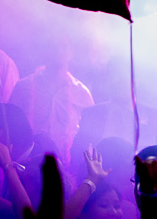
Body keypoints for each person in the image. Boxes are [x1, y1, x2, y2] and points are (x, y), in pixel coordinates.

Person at [8, 34, 94, 166]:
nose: (58, 51)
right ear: (44, 50)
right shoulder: (23, 87)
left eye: (63, 46)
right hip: (27, 164)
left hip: (67, 166)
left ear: (71, 52)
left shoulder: (81, 92)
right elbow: (10, 126)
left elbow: (88, 137)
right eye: (53, 46)